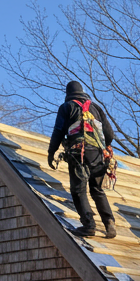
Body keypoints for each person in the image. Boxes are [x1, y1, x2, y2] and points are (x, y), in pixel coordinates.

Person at [47, 81, 117, 238]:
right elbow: (110, 134)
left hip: (79, 154)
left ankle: (89, 226)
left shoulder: (66, 107)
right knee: (97, 189)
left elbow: (58, 132)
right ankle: (109, 223)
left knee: (79, 190)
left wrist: (51, 152)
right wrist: (103, 147)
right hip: (99, 155)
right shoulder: (96, 107)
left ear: (68, 94)